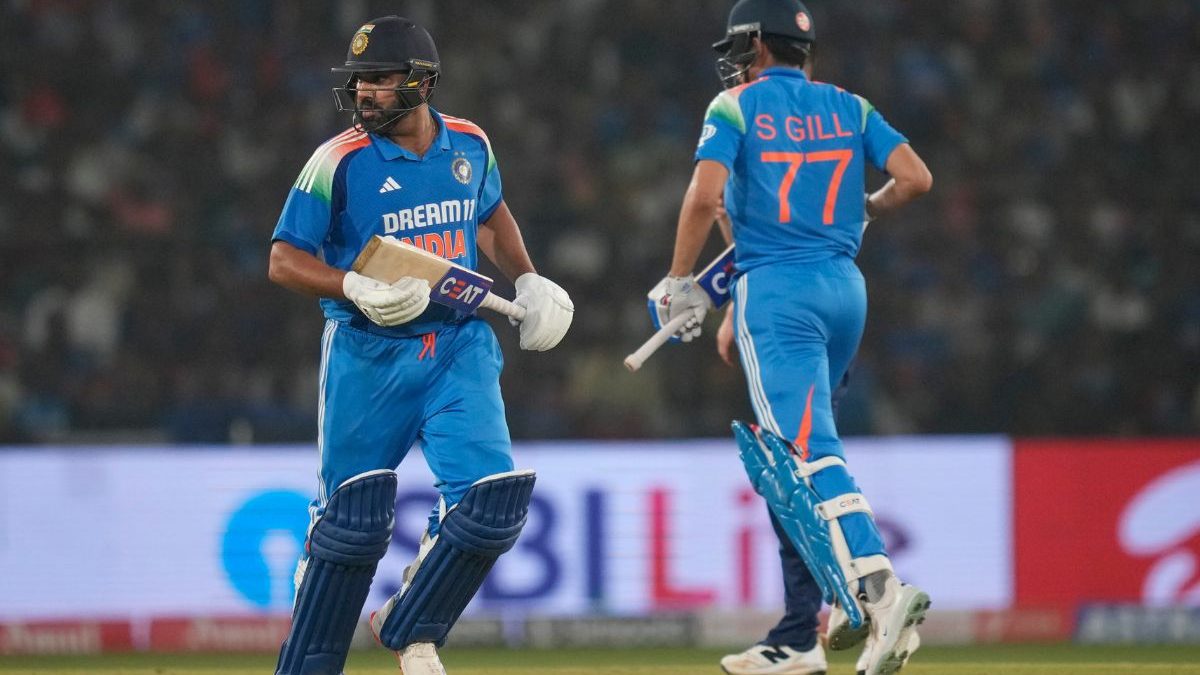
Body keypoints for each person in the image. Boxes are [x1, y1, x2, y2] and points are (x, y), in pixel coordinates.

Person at [267, 15, 573, 675]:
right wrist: (351, 283)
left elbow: (488, 213)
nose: (366, 93)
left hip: (459, 343)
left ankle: (412, 624)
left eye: (380, 79)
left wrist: (527, 275)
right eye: (360, 82)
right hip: (367, 353)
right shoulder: (338, 160)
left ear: (423, 81)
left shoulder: (470, 143)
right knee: (348, 529)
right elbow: (284, 260)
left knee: (490, 500)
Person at [647, 1, 933, 674]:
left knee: (806, 449)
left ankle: (879, 589)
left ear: (754, 43)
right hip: (844, 290)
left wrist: (680, 280)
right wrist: (867, 205)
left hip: (778, 295)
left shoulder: (735, 107)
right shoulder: (851, 106)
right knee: (787, 458)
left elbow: (702, 195)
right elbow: (917, 178)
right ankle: (800, 635)